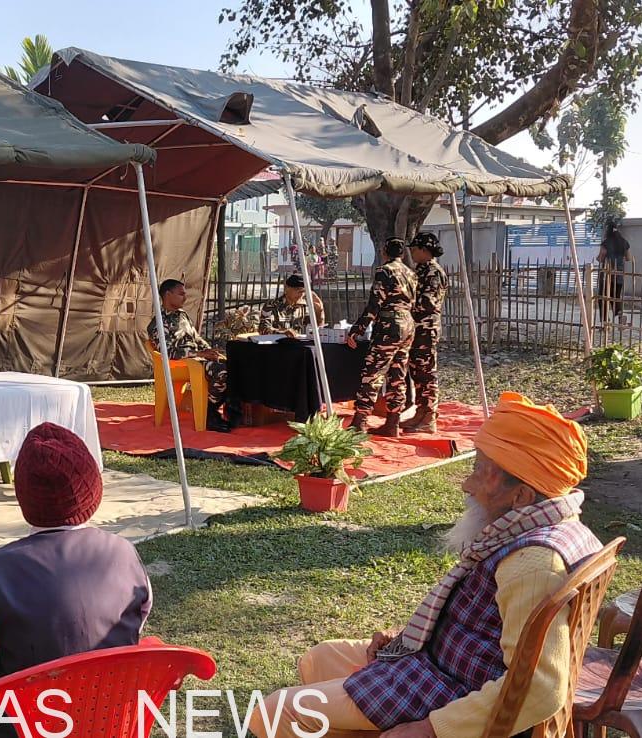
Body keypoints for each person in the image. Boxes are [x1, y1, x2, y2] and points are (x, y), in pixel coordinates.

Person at [249, 392, 600, 738]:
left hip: (456, 694)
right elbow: (486, 624)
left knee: (276, 712)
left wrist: (431, 728)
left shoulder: (534, 565)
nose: (467, 484)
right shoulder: (551, 525)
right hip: (444, 667)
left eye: (480, 471)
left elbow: (540, 688)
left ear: (521, 496)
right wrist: (409, 638)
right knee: (321, 659)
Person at [0, 422, 151, 735]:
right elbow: (132, 631)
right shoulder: (127, 555)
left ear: (24, 495)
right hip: (108, 722)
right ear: (91, 488)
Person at [347, 238, 418, 437]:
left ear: (384, 252)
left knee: (373, 372)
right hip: (408, 324)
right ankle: (393, 422)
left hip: (389, 325)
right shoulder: (410, 273)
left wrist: (357, 329)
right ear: (402, 254)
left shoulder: (385, 271)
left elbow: (374, 304)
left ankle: (360, 421)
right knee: (398, 374)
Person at [148, 279, 234, 431]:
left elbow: (196, 338)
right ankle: (208, 413)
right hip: (179, 364)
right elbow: (168, 353)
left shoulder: (182, 315)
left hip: (197, 359)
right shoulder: (158, 323)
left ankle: (229, 411)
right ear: (168, 295)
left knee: (234, 366)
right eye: (181, 294)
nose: (185, 297)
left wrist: (210, 351)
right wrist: (200, 354)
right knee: (221, 372)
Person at [403, 233, 449, 433]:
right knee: (417, 372)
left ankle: (429, 416)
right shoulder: (421, 270)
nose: (412, 253)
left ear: (424, 250)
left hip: (426, 328)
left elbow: (427, 303)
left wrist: (405, 303)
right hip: (417, 328)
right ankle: (421, 412)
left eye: (414, 249)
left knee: (426, 373)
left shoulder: (433, 272)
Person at [257, 274, 326, 336]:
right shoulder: (272, 306)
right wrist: (283, 333)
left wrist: (319, 310)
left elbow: (317, 330)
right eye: (297, 290)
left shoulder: (303, 307)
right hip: (277, 344)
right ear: (286, 288)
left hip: (298, 344)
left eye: (303, 291)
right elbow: (263, 330)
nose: (301, 294)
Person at [595, 220, 631, 326]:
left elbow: (601, 257)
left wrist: (599, 258)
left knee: (602, 298)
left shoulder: (606, 243)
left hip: (607, 275)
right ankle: (620, 315)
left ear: (608, 230)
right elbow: (628, 258)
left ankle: (605, 321)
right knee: (615, 297)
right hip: (619, 275)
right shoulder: (624, 242)